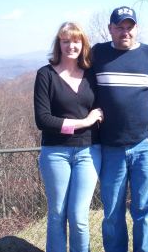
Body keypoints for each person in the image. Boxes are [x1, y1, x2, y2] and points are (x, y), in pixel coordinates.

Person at [92, 6, 148, 252]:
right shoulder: (98, 55)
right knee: (112, 215)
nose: (124, 32)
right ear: (110, 29)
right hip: (110, 150)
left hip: (146, 148)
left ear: (136, 28)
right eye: (119, 27)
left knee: (146, 213)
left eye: (129, 27)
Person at [34, 21, 103, 252]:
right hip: (55, 153)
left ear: (82, 44)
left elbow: (103, 107)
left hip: (89, 151)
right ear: (59, 44)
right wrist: (83, 122)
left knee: (79, 216)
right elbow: (43, 120)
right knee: (57, 214)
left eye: (76, 41)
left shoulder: (92, 74)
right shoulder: (45, 75)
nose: (71, 46)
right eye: (66, 41)